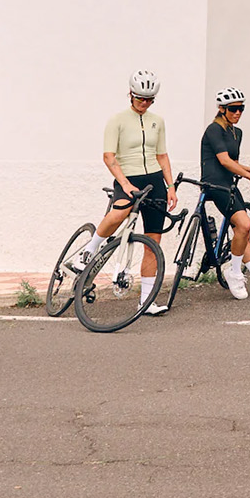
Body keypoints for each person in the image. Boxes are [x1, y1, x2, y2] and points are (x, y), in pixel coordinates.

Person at [76, 70, 179, 315]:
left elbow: (162, 155)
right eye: (140, 98)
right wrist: (125, 183)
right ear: (130, 95)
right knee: (119, 213)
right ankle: (90, 249)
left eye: (149, 100)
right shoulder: (117, 120)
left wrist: (171, 186)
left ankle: (146, 301)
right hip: (127, 178)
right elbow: (109, 156)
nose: (144, 103)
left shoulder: (158, 121)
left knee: (153, 241)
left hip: (154, 181)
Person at [201, 87, 250, 299]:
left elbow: (233, 162)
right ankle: (234, 273)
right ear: (222, 109)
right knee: (244, 225)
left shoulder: (237, 133)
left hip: (229, 185)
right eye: (233, 109)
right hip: (214, 185)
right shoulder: (214, 130)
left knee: (242, 231)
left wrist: (249, 169)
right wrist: (249, 176)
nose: (237, 113)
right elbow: (223, 160)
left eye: (241, 109)